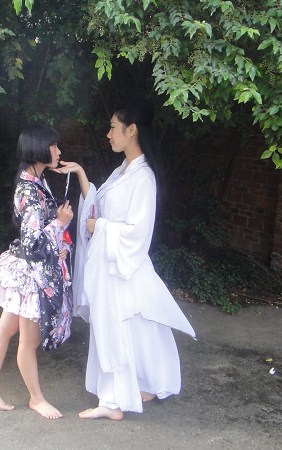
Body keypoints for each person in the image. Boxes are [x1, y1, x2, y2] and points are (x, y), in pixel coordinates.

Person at [55, 101, 196, 420]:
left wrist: (99, 227)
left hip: (122, 265)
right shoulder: (122, 171)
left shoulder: (143, 177)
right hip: (111, 264)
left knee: (117, 330)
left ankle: (113, 402)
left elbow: (137, 232)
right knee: (135, 330)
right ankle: (144, 385)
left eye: (113, 128)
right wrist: (80, 173)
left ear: (131, 130)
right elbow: (98, 204)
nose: (108, 135)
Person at [0, 125, 74, 419]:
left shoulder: (34, 181)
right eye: (54, 146)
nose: (58, 151)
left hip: (23, 269)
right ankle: (36, 399)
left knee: (6, 328)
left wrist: (56, 230)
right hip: (31, 274)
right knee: (28, 342)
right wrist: (60, 223)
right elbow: (33, 243)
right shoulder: (31, 190)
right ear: (39, 148)